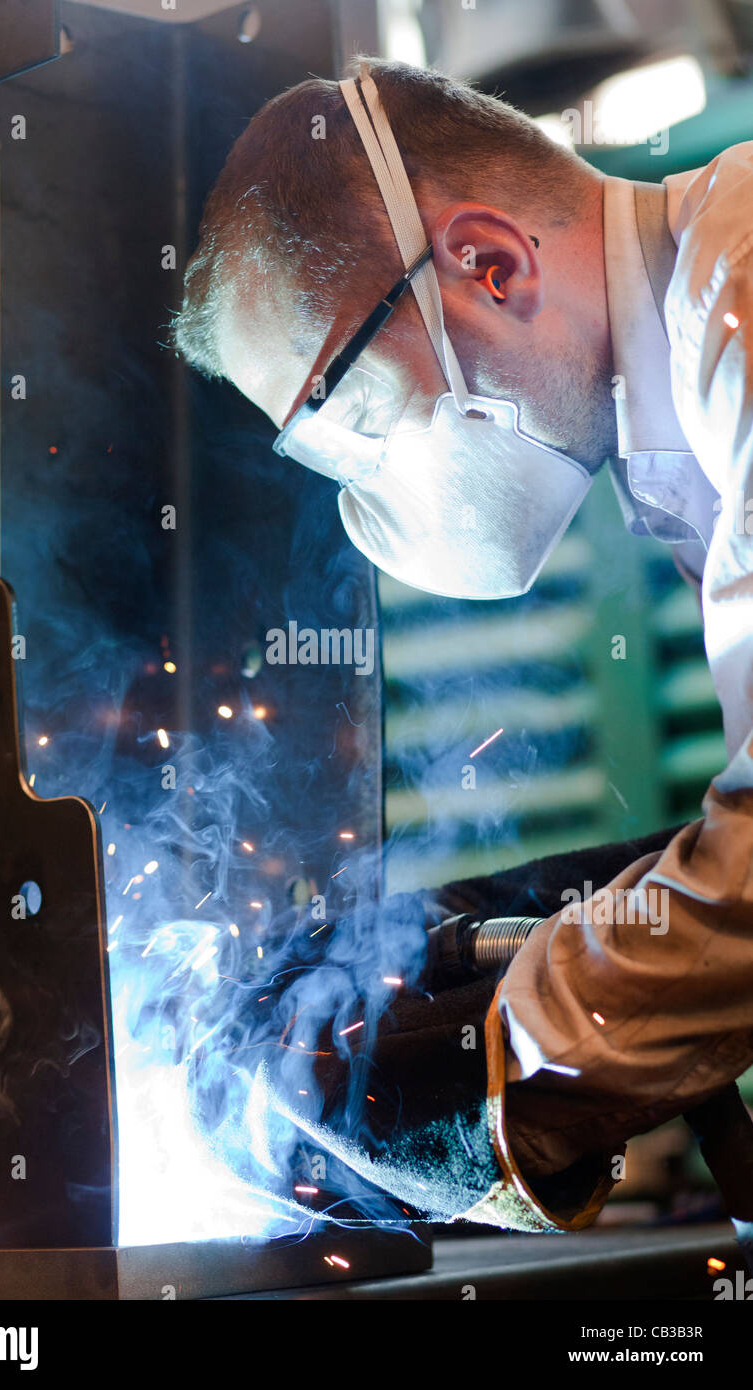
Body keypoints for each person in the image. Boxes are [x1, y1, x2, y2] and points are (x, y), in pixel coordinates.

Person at [172, 56, 753, 1231]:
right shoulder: (683, 408)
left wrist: (498, 1060)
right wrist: (556, 909)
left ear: (486, 263)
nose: (368, 488)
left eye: (353, 422)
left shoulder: (736, 304)